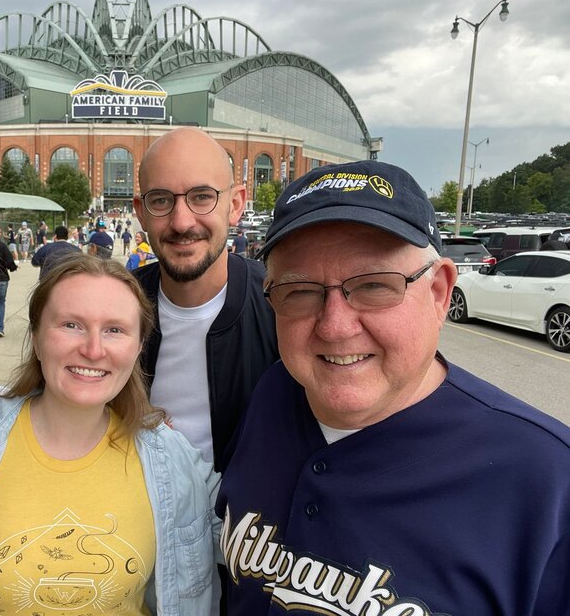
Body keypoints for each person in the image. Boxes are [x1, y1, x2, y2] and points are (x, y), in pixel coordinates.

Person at [217, 160, 570, 615]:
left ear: (440, 292)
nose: (336, 327)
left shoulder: (546, 482)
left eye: (374, 286)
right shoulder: (274, 393)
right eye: (300, 290)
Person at [0, 254, 220, 615]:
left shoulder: (171, 458)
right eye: (71, 325)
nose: (93, 350)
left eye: (115, 330)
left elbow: (247, 533)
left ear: (138, 346)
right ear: (36, 338)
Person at [133, 127, 278, 473]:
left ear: (236, 204)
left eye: (201, 197)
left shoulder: (281, 306)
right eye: (161, 200)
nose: (182, 222)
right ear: (141, 211)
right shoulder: (116, 307)